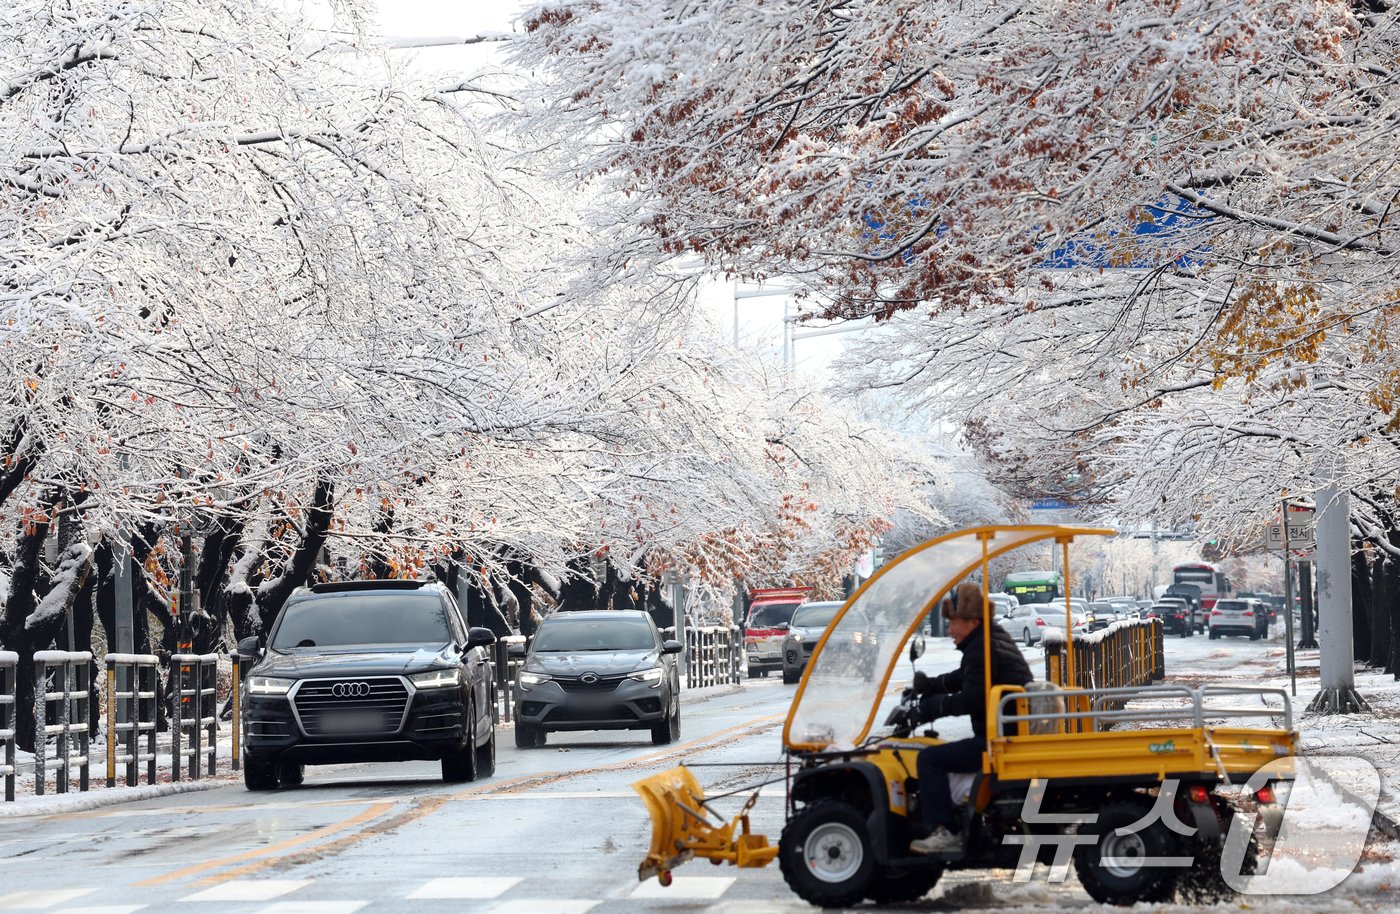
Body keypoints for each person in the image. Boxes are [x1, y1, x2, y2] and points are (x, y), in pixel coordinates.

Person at [908, 581, 1033, 854]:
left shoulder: (983, 648)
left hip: (1001, 739)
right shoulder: (989, 641)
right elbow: (964, 678)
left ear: (973, 621)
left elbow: (973, 698)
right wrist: (931, 685)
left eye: (954, 623)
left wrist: (931, 709)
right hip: (1010, 732)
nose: (950, 629)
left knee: (929, 759)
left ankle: (946, 832)